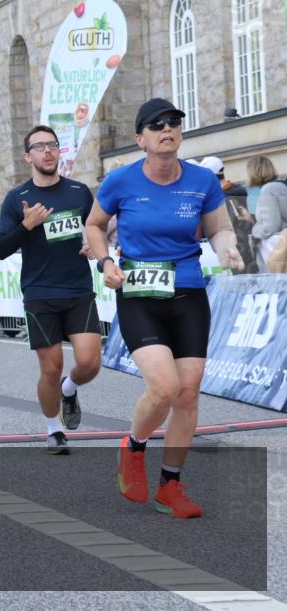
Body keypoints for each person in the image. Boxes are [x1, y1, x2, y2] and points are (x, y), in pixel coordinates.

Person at [86, 98, 243, 518]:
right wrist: (105, 262)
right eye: (156, 125)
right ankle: (133, 447)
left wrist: (228, 250)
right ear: (141, 139)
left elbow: (220, 229)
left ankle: (170, 487)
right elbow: (95, 225)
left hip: (189, 291)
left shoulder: (201, 181)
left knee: (188, 394)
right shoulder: (120, 182)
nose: (167, 128)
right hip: (139, 293)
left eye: (174, 122)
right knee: (164, 387)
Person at [0, 124, 101, 455]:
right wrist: (26, 226)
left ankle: (70, 390)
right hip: (40, 292)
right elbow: (0, 248)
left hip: (78, 288)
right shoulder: (17, 199)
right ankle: (53, 428)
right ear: (28, 156)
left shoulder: (79, 191)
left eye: (52, 145)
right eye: (39, 146)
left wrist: (93, 243)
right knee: (51, 366)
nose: (47, 151)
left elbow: (99, 227)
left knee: (89, 363)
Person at [248, 155, 287, 272]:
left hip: (277, 247)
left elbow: (271, 227)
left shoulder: (268, 189)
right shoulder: (279, 186)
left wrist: (253, 231)